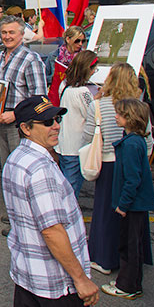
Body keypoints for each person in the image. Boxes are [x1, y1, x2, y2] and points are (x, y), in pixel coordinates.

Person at [3, 95, 98, 307]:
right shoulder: (39, 169)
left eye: (56, 119)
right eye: (47, 122)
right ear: (25, 128)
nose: (56, 125)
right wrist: (80, 279)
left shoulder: (17, 158)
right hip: (56, 282)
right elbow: (52, 231)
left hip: (28, 275)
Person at [85, 62, 153, 275]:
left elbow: (88, 134)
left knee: (105, 212)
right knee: (131, 215)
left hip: (107, 162)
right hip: (132, 163)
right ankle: (133, 260)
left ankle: (105, 258)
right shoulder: (138, 106)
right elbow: (148, 138)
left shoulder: (99, 105)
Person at [0, 16, 48, 235]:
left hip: (21, 127)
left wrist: (15, 114)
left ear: (22, 34)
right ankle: (17, 216)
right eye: (4, 32)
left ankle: (26, 223)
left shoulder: (31, 59)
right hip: (1, 123)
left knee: (23, 174)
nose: (7, 36)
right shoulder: (0, 56)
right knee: (9, 172)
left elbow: (39, 99)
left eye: (11, 33)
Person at [100, 98, 154, 300]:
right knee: (133, 244)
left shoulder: (131, 144)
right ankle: (133, 282)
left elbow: (132, 180)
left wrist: (123, 204)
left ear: (130, 118)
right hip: (136, 204)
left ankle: (127, 285)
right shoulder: (135, 140)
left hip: (132, 205)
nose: (116, 116)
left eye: (120, 114)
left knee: (129, 245)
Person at [55, 50, 98, 199]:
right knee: (71, 190)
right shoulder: (83, 92)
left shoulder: (65, 84)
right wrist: (98, 99)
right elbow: (92, 114)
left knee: (64, 184)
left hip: (62, 144)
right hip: (76, 147)